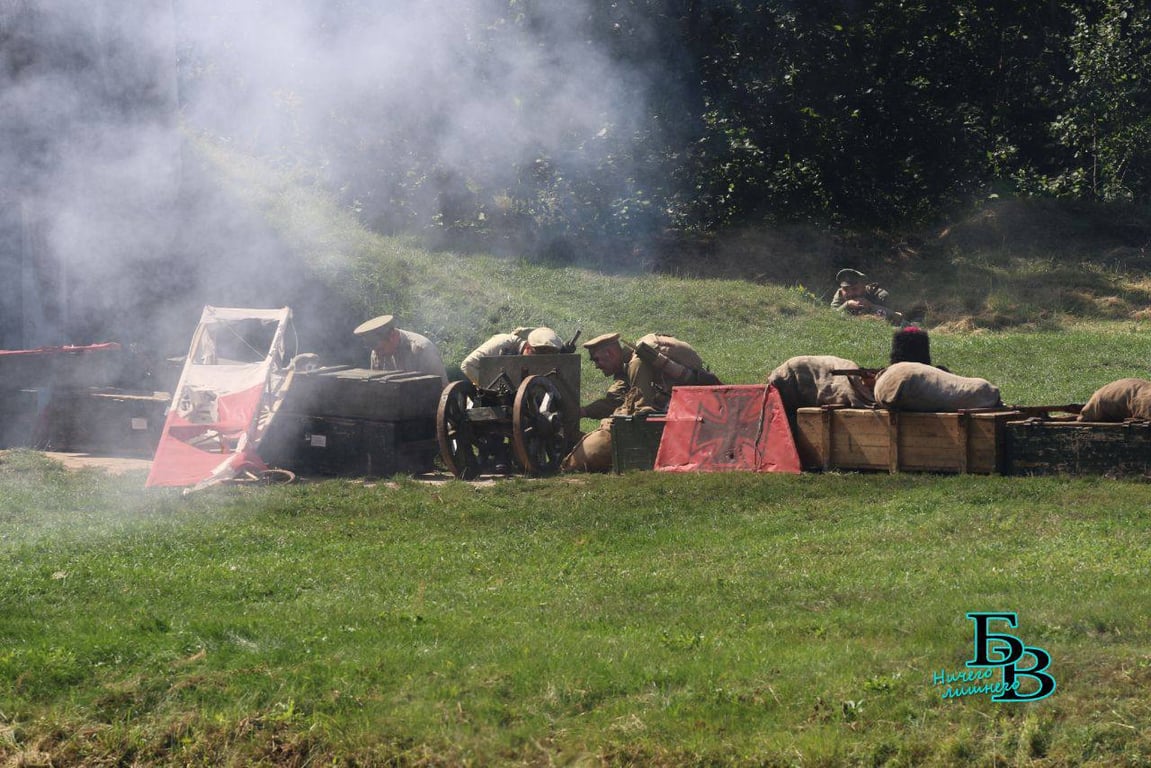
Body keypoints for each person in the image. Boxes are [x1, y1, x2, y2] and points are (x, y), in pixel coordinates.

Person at [563, 332, 719, 472]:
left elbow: (640, 410)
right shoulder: (627, 369)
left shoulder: (637, 362)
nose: (596, 366)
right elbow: (612, 401)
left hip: (691, 408)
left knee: (598, 446)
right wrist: (583, 412)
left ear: (610, 353)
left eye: (596, 359)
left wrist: (639, 410)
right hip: (681, 407)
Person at [353, 314, 448, 386]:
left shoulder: (422, 349)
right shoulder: (376, 352)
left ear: (392, 336)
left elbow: (443, 389)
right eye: (375, 350)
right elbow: (376, 386)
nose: (378, 355)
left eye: (381, 349)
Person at [459, 326, 564, 386]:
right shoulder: (503, 343)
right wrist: (491, 388)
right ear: (528, 347)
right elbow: (467, 365)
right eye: (537, 358)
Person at [831, 269, 902, 323]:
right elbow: (832, 315)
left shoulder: (880, 295)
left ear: (863, 286)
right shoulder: (840, 293)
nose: (849, 293)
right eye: (845, 289)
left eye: (854, 289)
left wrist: (871, 306)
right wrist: (847, 305)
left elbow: (892, 319)